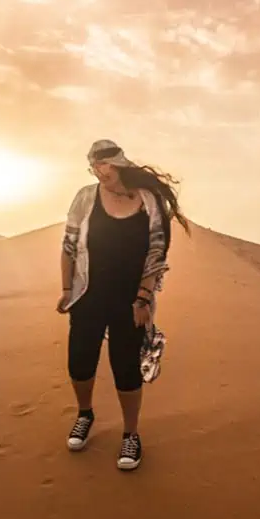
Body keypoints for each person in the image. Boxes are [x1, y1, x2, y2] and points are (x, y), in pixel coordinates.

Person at [56, 139, 190, 471]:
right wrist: (65, 289)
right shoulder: (85, 198)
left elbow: (157, 252)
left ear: (118, 163)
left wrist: (143, 298)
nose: (98, 172)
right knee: (80, 362)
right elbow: (69, 245)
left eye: (103, 165)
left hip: (130, 300)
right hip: (87, 295)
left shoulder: (148, 200)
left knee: (125, 367)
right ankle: (85, 414)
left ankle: (131, 434)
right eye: (93, 167)